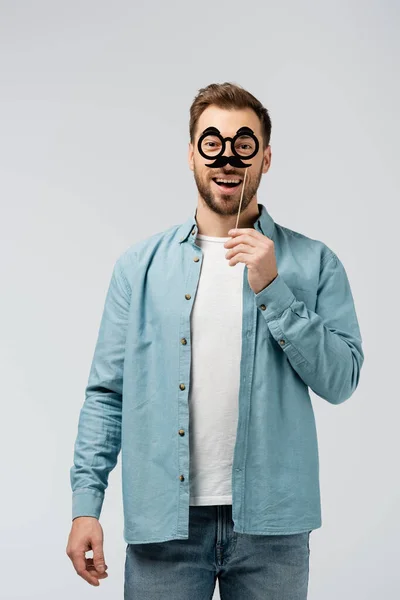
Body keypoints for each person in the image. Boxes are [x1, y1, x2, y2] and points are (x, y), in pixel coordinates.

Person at [66, 82, 364, 599]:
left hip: (273, 528)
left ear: (265, 158)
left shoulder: (314, 263)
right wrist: (85, 505)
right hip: (165, 527)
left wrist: (274, 288)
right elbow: (106, 395)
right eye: (212, 141)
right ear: (191, 154)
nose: (227, 158)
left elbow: (342, 380)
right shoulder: (138, 269)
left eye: (243, 145)